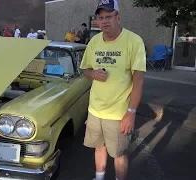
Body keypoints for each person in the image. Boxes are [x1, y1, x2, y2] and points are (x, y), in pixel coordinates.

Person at [80, 0, 146, 180]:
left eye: (109, 16)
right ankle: (99, 177)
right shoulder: (94, 41)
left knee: (118, 154)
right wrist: (93, 73)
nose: (104, 21)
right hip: (95, 110)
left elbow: (138, 81)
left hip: (118, 113)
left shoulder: (134, 41)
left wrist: (131, 113)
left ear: (118, 18)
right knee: (99, 147)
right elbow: (85, 70)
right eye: (100, 18)